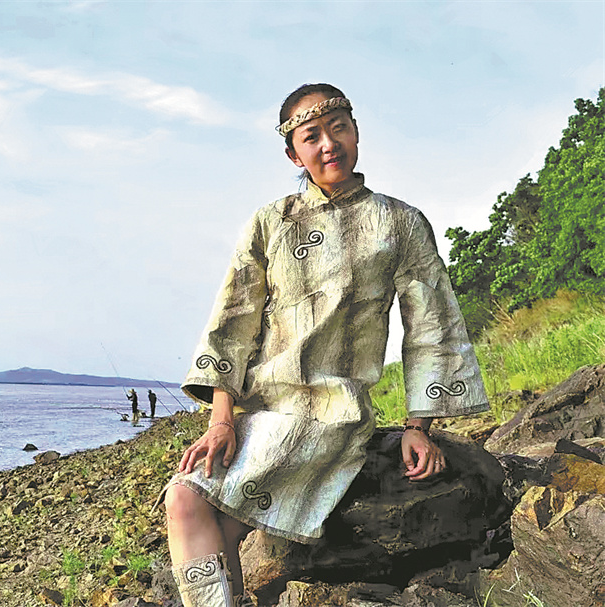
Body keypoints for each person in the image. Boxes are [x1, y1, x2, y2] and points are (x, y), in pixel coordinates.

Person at [161, 83, 489, 607]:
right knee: (193, 502)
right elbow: (232, 323)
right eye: (311, 136)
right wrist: (221, 420)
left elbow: (433, 327)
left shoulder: (399, 223)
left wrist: (418, 427)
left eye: (338, 129)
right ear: (294, 154)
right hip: (257, 407)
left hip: (332, 413)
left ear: (356, 133)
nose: (328, 144)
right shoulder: (270, 222)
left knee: (194, 501)